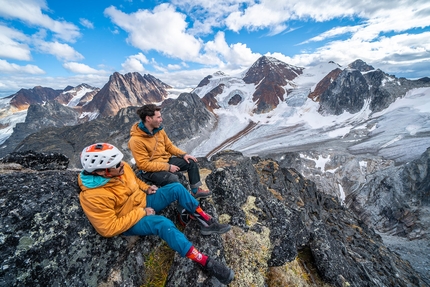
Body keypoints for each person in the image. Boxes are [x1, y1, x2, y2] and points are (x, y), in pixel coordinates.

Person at [78, 143, 234, 285]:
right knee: (163, 224)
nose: (121, 165)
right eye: (115, 165)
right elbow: (108, 228)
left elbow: (133, 179)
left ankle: (206, 221)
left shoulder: (121, 168)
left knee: (177, 188)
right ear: (100, 171)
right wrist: (141, 212)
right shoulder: (93, 196)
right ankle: (205, 261)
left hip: (144, 200)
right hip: (129, 220)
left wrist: (145, 188)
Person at [128, 104, 211, 199]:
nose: (161, 119)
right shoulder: (135, 140)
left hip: (165, 161)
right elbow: (143, 165)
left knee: (191, 162)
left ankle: (195, 191)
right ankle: (185, 204)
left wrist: (183, 155)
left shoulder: (159, 131)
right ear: (148, 119)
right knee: (173, 179)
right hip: (149, 171)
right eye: (158, 117)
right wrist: (168, 167)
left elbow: (169, 146)